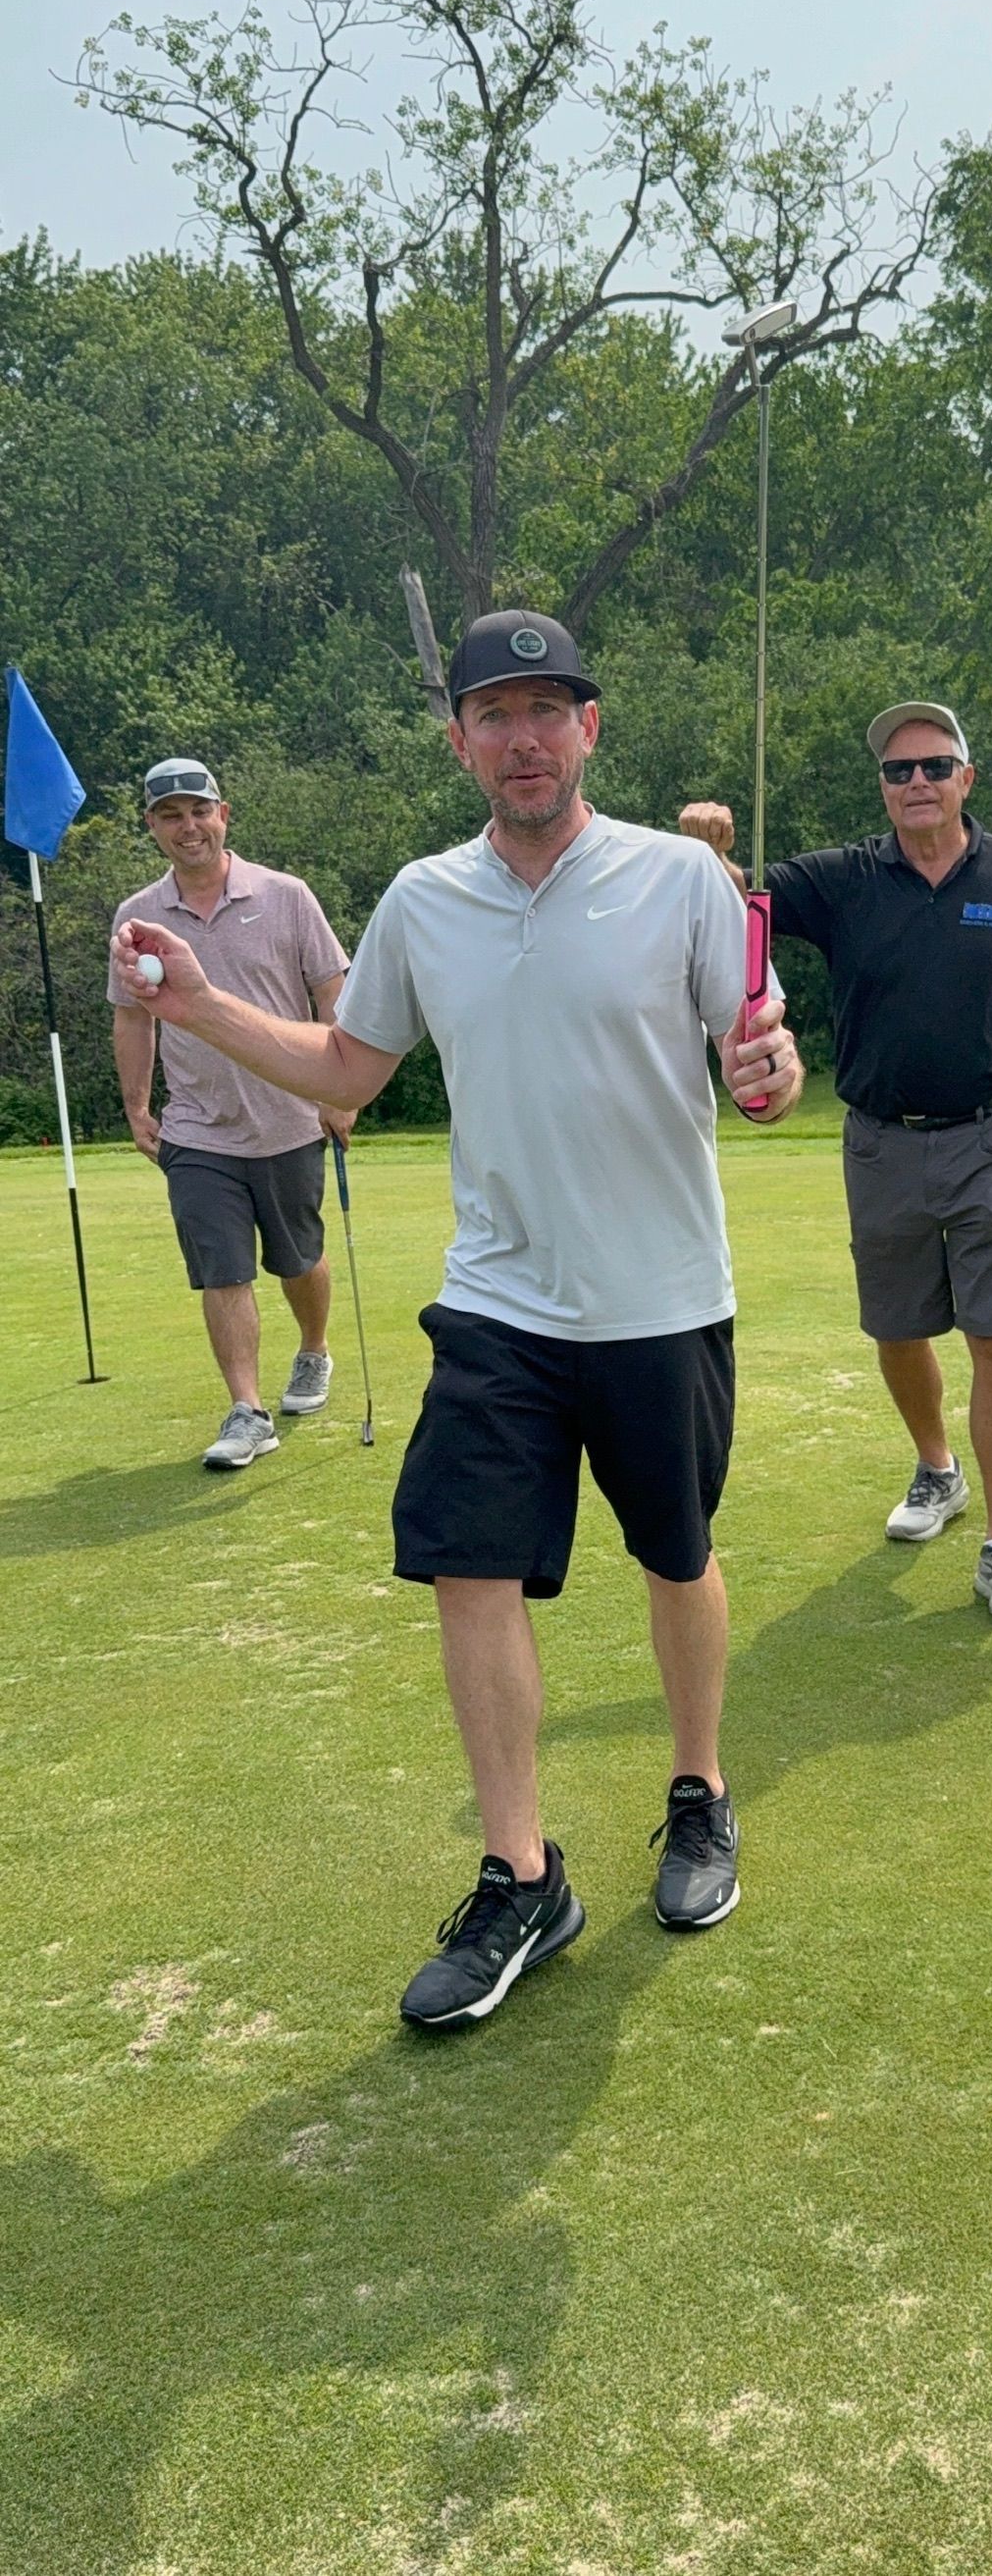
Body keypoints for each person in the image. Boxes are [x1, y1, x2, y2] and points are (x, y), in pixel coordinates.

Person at [113, 612, 802, 2028]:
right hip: (497, 1301)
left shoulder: (683, 878)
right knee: (466, 1564)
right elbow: (346, 1070)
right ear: (463, 743)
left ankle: (699, 1791)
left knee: (676, 1553)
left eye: (550, 708)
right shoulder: (425, 899)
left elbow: (760, 1052)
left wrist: (773, 1072)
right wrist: (194, 1003)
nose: (525, 736)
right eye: (497, 713)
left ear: (589, 730)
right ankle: (522, 1871)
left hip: (661, 1295)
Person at [679, 698, 992, 1622]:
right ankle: (936, 1468)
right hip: (881, 1141)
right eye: (896, 771)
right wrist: (704, 844)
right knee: (898, 1327)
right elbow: (733, 900)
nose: (915, 782)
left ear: (967, 777)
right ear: (882, 787)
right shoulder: (843, 879)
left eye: (932, 765)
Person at [108, 757, 354, 1469]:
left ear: (223, 814)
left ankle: (313, 1350)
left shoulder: (286, 895)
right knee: (222, 1270)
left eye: (198, 811)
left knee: (298, 1258)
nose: (188, 827)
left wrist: (339, 1091)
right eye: (169, 815)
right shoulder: (137, 917)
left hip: (289, 1120)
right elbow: (133, 1018)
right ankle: (247, 1410)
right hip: (197, 1128)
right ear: (153, 827)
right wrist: (136, 1105)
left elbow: (331, 991)